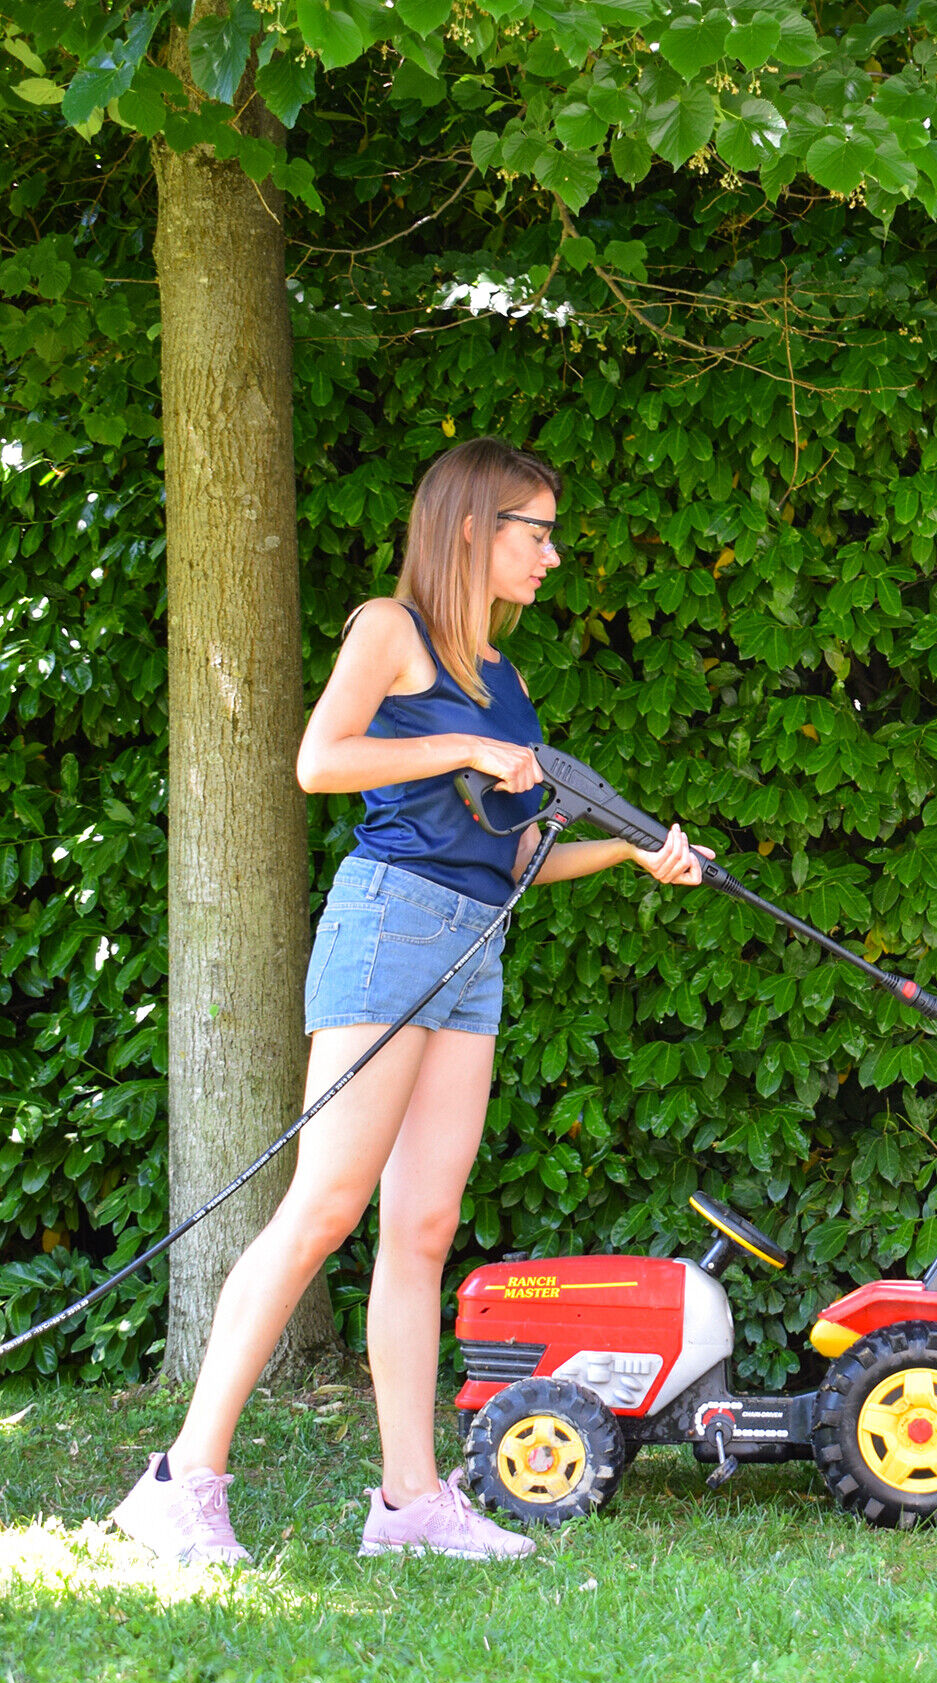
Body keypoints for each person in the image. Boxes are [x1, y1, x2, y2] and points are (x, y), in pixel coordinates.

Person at [110, 438, 709, 1564]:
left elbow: (519, 847)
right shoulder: (391, 629)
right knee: (324, 1206)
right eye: (537, 530)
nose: (553, 553)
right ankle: (180, 1484)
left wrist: (633, 854)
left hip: (473, 945)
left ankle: (411, 1503)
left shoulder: (508, 678)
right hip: (388, 923)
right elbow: (319, 759)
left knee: (423, 1230)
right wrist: (469, 741)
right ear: (474, 525)